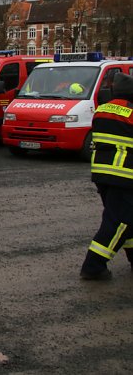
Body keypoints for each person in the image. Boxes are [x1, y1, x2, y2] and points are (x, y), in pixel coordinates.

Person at [79, 72, 133, 281]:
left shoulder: (102, 110)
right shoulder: (129, 113)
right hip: (125, 176)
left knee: (128, 221)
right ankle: (93, 265)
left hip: (103, 174)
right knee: (117, 222)